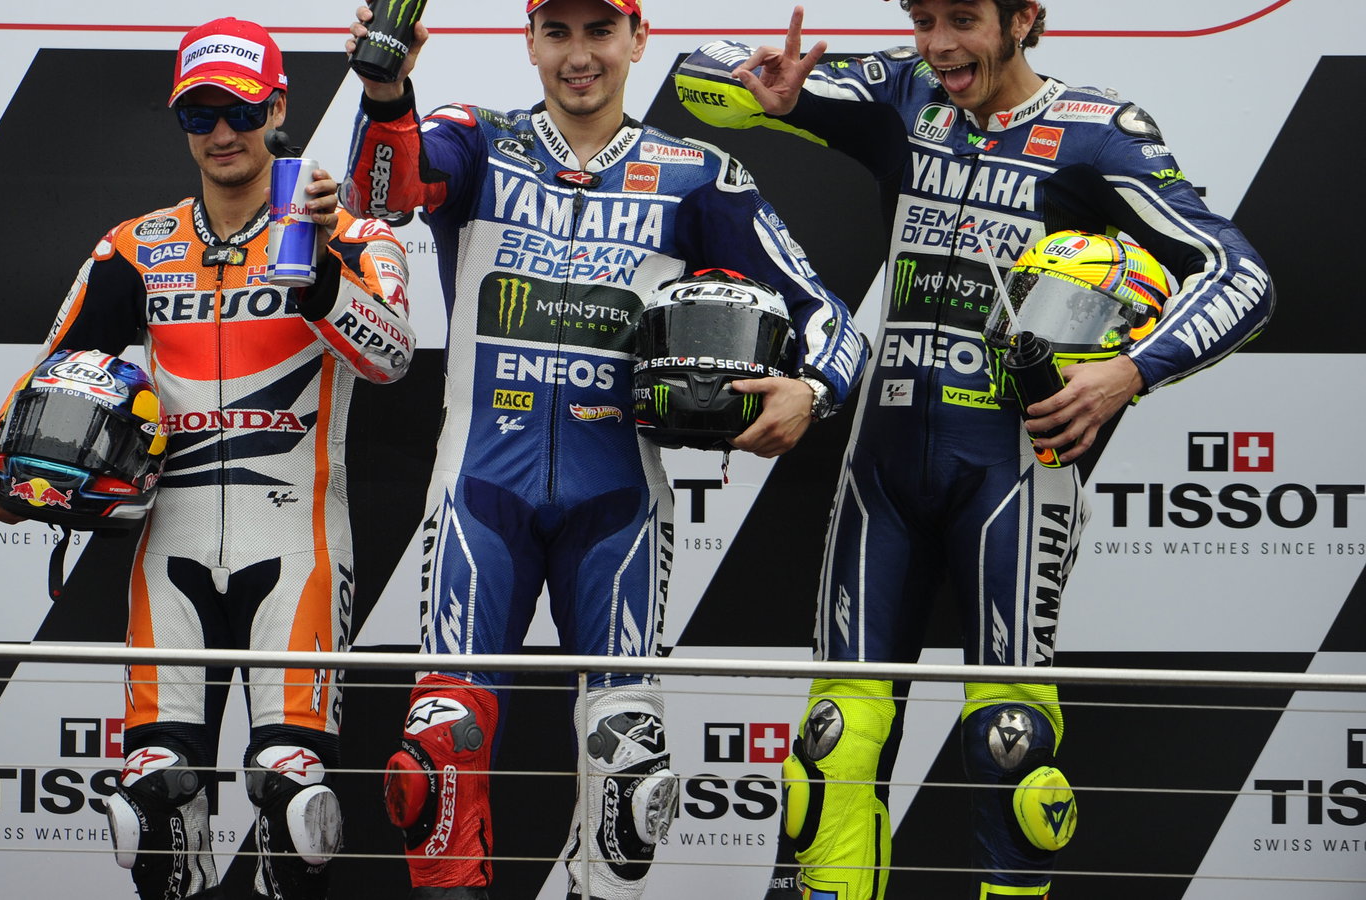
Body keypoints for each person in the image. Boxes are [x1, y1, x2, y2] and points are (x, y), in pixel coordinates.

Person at [672, 2, 1274, 897]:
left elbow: (1240, 274)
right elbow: (700, 67)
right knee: (833, 745)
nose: (941, 44)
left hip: (1012, 474)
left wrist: (1130, 372)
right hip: (880, 469)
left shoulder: (1098, 135)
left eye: (963, 18)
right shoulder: (904, 90)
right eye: (924, 18)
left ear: (1024, 17)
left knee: (1011, 748)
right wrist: (769, 94)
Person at [341, 1, 868, 898]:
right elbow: (384, 195)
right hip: (479, 492)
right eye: (558, 32)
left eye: (599, 32)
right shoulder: (478, 139)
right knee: (438, 757)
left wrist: (812, 392)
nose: (578, 55)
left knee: (630, 777)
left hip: (618, 502)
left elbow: (828, 314)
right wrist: (386, 89)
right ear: (530, 42)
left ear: (637, 39)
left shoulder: (698, 175)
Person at [0, 17, 417, 900]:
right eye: (198, 114)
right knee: (152, 802)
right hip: (166, 548)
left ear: (277, 107)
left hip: (298, 546)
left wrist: (321, 272)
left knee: (293, 798)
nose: (221, 133)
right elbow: (54, 370)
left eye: (239, 111)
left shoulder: (351, 233)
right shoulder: (136, 246)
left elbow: (393, 357)